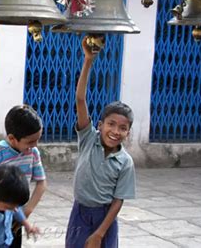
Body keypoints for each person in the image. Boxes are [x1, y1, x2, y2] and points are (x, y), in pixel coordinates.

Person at [65, 38, 136, 248]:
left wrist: (99, 233)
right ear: (100, 124)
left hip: (105, 218)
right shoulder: (88, 139)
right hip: (80, 213)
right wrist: (88, 61)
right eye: (111, 124)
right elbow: (80, 99)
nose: (115, 131)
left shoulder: (125, 162)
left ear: (128, 132)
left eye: (122, 128)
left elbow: (118, 200)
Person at [0, 104, 47, 247]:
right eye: (30, 142)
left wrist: (25, 213)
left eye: (38, 139)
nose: (35, 145)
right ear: (12, 138)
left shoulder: (32, 153)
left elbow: (42, 184)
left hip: (16, 220)